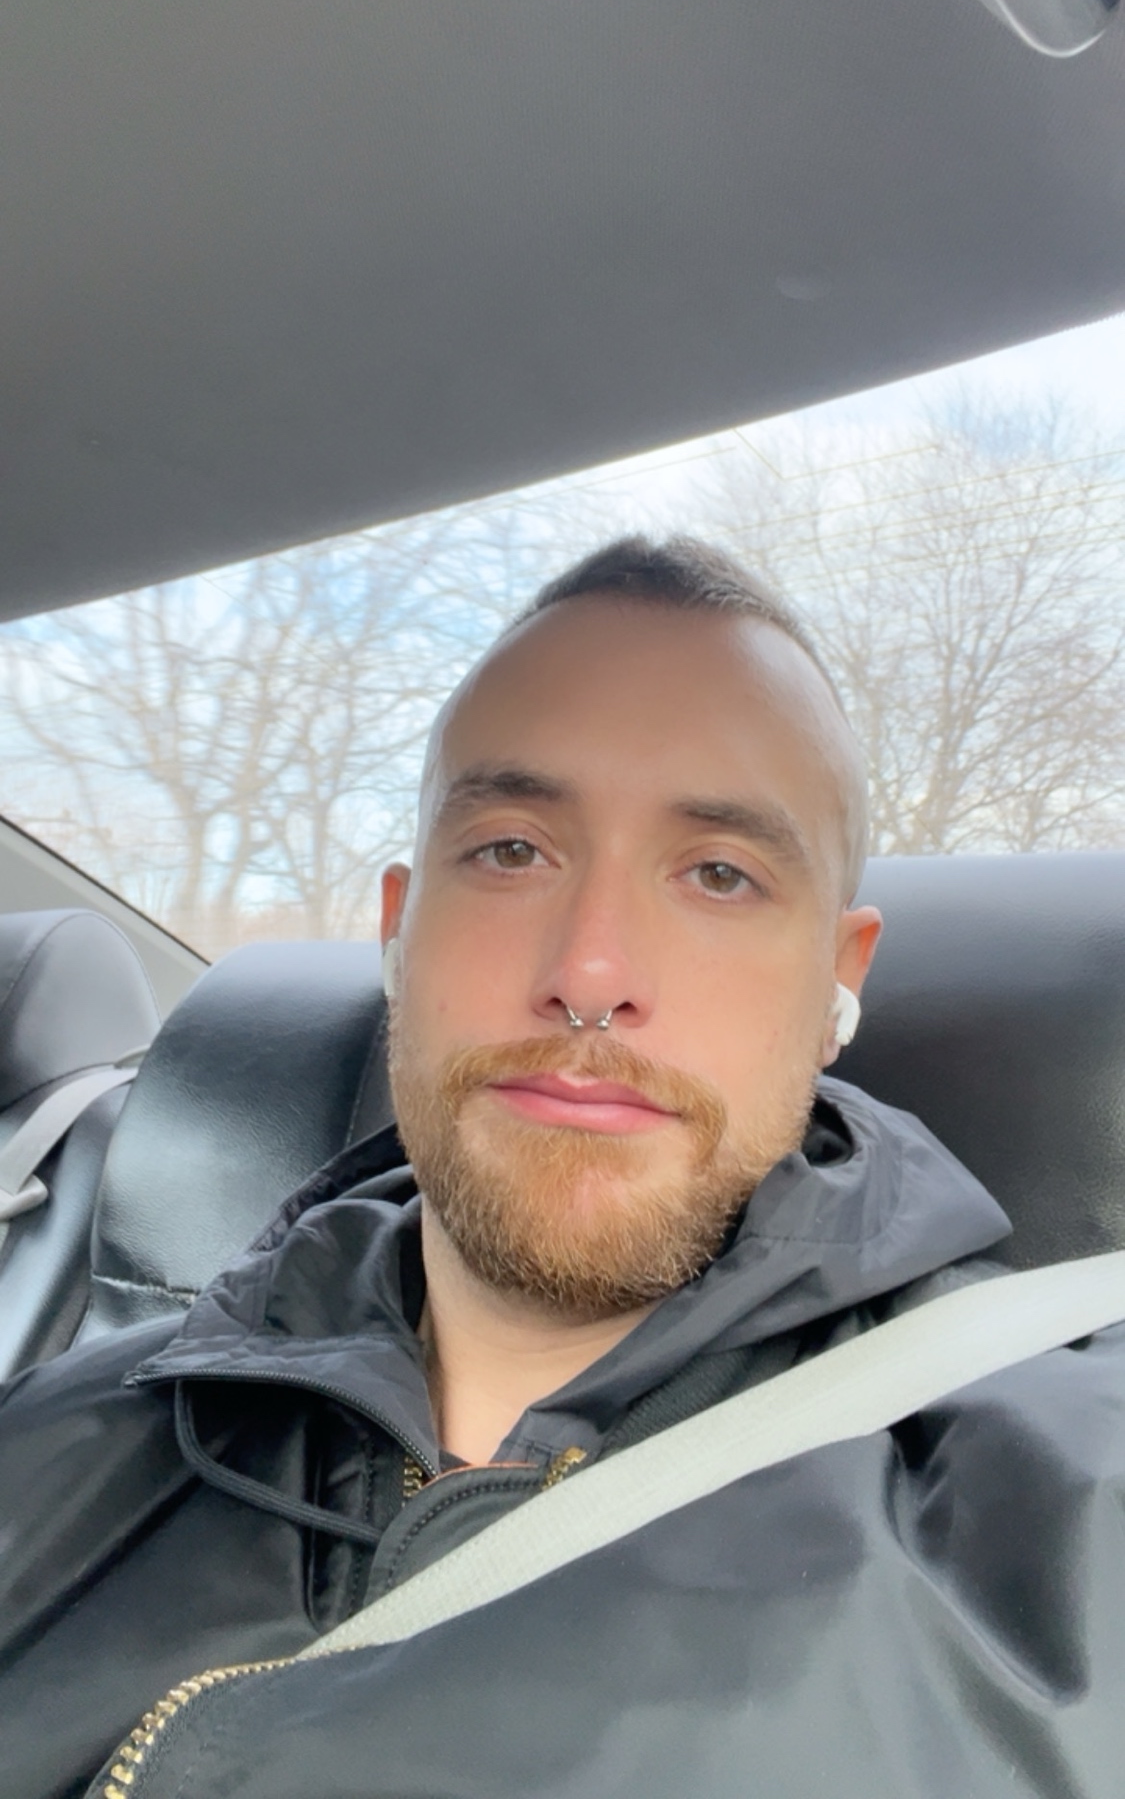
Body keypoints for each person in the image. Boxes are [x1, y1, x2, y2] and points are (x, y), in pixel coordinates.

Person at [1, 536, 1123, 1799]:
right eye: (511, 850)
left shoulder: (1067, 1506)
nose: (591, 973)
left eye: (720, 873)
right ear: (397, 933)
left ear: (836, 982)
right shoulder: (49, 1442)